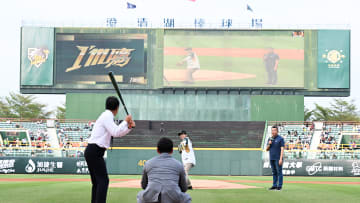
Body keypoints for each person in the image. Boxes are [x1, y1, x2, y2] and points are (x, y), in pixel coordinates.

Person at [84, 96, 135, 203]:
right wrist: (126, 121)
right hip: (94, 151)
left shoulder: (106, 116)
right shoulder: (107, 116)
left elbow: (117, 133)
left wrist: (129, 127)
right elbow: (115, 132)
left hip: (93, 151)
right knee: (103, 181)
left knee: (97, 182)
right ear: (117, 108)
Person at [137, 137, 191, 203]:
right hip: (173, 197)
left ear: (157, 150)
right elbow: (184, 188)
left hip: (151, 197)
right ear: (172, 151)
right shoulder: (178, 164)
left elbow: (144, 185)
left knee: (140, 195)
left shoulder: (148, 163)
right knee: (186, 197)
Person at [266, 126, 284, 191]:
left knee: (279, 172)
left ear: (277, 131)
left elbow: (282, 149)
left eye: (274, 130)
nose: (273, 132)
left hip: (278, 158)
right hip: (272, 158)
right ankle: (274, 185)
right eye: (272, 130)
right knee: (274, 172)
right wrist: (269, 144)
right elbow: (267, 149)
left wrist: (281, 159)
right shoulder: (270, 139)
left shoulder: (280, 139)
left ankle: (279, 186)